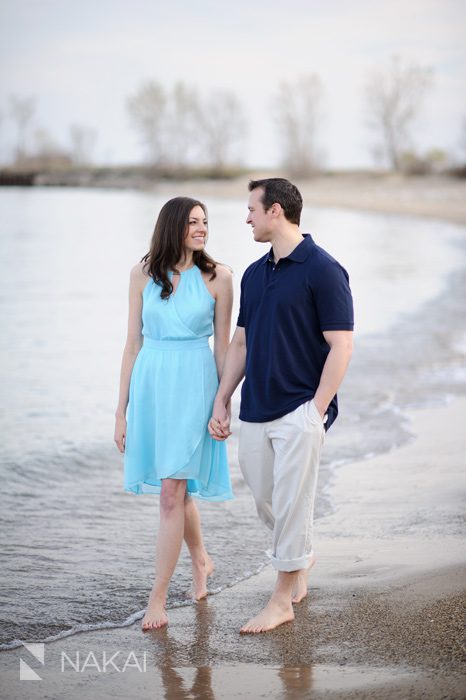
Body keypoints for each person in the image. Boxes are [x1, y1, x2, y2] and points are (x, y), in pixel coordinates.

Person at [209, 178, 354, 634]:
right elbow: (242, 342)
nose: (246, 217)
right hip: (255, 408)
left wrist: (317, 409)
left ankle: (280, 600)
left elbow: (342, 345)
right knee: (267, 500)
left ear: (275, 211)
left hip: (299, 409)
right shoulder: (254, 274)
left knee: (291, 502)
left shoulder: (323, 269)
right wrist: (223, 399)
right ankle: (300, 557)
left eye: (251, 209)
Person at [114, 196, 234, 631]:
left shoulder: (219, 278)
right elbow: (132, 344)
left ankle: (157, 599)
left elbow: (222, 347)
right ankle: (201, 561)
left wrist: (224, 402)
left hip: (195, 385)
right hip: (151, 387)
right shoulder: (141, 274)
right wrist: (120, 411)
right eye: (193, 223)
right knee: (178, 491)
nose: (202, 229)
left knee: (171, 491)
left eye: (205, 222)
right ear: (172, 227)